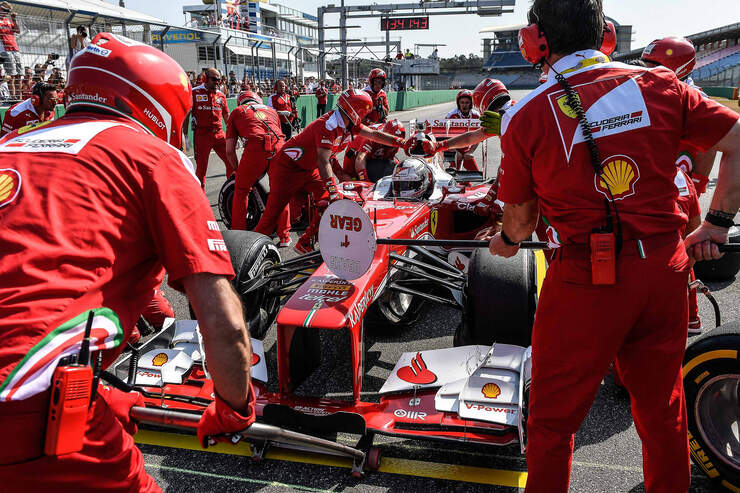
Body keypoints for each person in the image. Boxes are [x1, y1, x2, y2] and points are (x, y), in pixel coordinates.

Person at [486, 2, 740, 492]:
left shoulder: (525, 113)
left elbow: (521, 219)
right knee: (662, 411)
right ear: (604, 34)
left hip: (585, 279)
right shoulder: (662, 85)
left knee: (553, 423)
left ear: (536, 38)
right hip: (665, 269)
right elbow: (738, 140)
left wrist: (506, 241)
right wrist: (718, 223)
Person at [0, 33, 256, 492]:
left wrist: (95, 391)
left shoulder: (11, 144)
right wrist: (234, 408)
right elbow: (224, 323)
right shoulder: (150, 156)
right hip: (26, 394)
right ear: (157, 103)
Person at [254, 89, 406, 254]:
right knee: (272, 215)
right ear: (356, 112)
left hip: (310, 169)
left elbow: (375, 135)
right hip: (287, 169)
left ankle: (305, 243)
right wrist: (333, 190)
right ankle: (250, 253)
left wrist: (403, 143)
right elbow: (323, 160)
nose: (364, 117)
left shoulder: (347, 122)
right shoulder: (328, 125)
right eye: (363, 113)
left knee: (328, 203)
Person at [640, 36, 715, 333]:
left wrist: (698, 182)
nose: (645, 69)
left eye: (652, 64)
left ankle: (689, 314)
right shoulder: (656, 90)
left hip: (678, 186)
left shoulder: (692, 97)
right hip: (665, 183)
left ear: (676, 65)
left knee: (680, 253)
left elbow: (711, 145)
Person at [225, 90, 291, 245]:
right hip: (279, 147)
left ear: (241, 101)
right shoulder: (272, 111)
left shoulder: (237, 111)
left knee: (241, 190)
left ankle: (238, 235)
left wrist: (237, 170)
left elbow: (229, 150)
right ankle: (285, 236)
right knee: (280, 191)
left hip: (255, 148)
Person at [192, 67, 232, 188]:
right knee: (201, 168)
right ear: (205, 78)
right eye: (214, 79)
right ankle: (200, 197)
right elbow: (186, 113)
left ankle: (232, 188)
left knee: (231, 161)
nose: (217, 83)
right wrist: (185, 137)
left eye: (219, 80)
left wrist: (233, 134)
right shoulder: (194, 92)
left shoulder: (221, 95)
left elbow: (226, 115)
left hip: (219, 134)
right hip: (202, 135)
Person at [444, 89, 482, 171]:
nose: (464, 105)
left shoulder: (476, 115)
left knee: (475, 172)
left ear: (471, 104)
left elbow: (479, 136)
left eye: (467, 102)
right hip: (453, 146)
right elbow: (444, 136)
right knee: (453, 174)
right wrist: (454, 151)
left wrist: (471, 151)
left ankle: (466, 183)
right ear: (458, 104)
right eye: (462, 102)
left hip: (467, 148)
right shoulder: (451, 115)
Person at [0, 2, 21, 99]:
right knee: (11, 74)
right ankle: (13, 97)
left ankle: (19, 96)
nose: (6, 13)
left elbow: (17, 31)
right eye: (4, 10)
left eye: (8, 11)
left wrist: (14, 19)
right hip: (5, 48)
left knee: (19, 74)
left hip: (15, 48)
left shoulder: (8, 21)